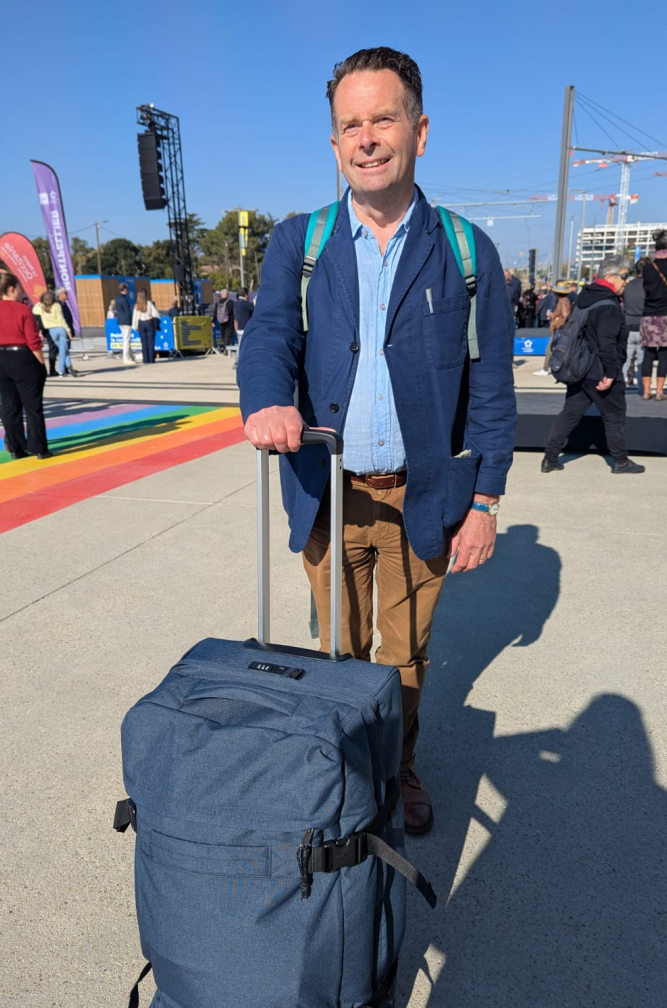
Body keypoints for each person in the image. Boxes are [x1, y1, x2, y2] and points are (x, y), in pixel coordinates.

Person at [237, 46, 516, 834]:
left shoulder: (465, 251)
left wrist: (486, 499)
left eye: (382, 119)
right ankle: (341, 770)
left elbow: (491, 386)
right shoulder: (301, 242)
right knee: (337, 649)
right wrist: (264, 401)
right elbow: (267, 339)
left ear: (418, 132)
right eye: (348, 125)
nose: (365, 138)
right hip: (328, 490)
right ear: (333, 144)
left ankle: (397, 768)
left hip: (423, 493)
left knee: (405, 652)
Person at [541, 255, 645, 474]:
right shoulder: (608, 305)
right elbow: (607, 343)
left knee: (569, 414)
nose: (626, 281)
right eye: (624, 276)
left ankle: (550, 458)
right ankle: (621, 462)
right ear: (609, 276)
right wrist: (610, 373)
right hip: (600, 370)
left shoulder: (585, 297)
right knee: (615, 416)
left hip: (580, 368)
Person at [0, 273, 51, 459]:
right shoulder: (23, 310)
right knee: (32, 406)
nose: (22, 290)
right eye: (20, 287)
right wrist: (41, 363)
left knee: (9, 406)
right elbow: (33, 341)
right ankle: (39, 448)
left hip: (1, 359)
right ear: (11, 289)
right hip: (22, 357)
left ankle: (16, 447)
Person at [639, 230, 667, 400]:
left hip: (648, 315)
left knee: (648, 354)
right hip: (666, 315)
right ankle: (659, 392)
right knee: (665, 354)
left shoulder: (648, 268)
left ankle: (646, 391)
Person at [32, 290, 78, 377]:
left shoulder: (41, 307)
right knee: (63, 350)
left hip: (51, 331)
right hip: (60, 329)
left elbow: (34, 310)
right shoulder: (56, 306)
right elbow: (61, 319)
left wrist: (40, 302)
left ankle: (68, 365)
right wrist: (68, 330)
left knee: (62, 349)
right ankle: (62, 370)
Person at [533, 281, 571, 376]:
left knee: (550, 348)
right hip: (560, 328)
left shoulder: (563, 301)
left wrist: (555, 318)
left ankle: (546, 369)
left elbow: (565, 315)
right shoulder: (564, 300)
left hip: (560, 328)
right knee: (553, 348)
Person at [623, 258, 648, 390]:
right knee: (642, 361)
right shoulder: (649, 286)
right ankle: (642, 389)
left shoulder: (628, 286)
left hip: (627, 324)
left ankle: (620, 386)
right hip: (643, 326)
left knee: (625, 360)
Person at [131, 289, 160, 364]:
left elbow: (135, 317)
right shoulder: (148, 303)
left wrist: (135, 326)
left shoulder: (137, 305)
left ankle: (145, 359)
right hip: (149, 322)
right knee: (151, 342)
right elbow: (156, 314)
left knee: (144, 343)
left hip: (141, 323)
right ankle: (151, 359)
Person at [115, 283, 134, 364]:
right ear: (125, 289)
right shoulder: (124, 300)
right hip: (126, 321)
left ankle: (131, 356)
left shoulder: (117, 299)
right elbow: (128, 311)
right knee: (127, 340)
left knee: (126, 339)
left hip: (120, 321)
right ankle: (126, 358)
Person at [216, 288, 235, 352]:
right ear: (227, 295)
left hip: (221, 321)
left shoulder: (218, 302)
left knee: (223, 335)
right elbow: (232, 311)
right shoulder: (230, 302)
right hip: (229, 321)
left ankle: (225, 348)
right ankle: (226, 349)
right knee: (228, 335)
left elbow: (215, 311)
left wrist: (213, 320)